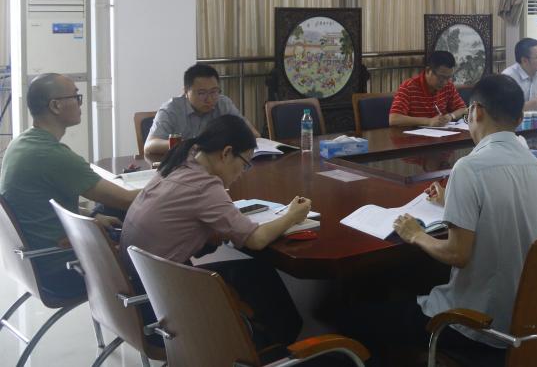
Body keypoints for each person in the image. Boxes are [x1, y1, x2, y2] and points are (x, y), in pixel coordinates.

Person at [343, 75, 537, 363]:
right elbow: (500, 206)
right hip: (520, 316)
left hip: (473, 322)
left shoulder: (469, 167)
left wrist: (416, 234)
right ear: (520, 118)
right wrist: (451, 200)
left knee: (356, 318)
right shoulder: (531, 162)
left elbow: (457, 254)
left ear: (476, 112)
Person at [121, 115, 311, 352]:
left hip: (141, 287)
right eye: (245, 163)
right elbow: (256, 239)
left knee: (252, 273)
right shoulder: (205, 185)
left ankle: (268, 335)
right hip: (164, 301)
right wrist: (292, 215)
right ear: (226, 153)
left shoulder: (183, 158)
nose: (242, 172)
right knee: (259, 275)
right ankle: (273, 349)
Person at [0, 73, 138, 297]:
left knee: (108, 212)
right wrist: (172, 183)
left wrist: (91, 216)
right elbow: (128, 200)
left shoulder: (21, 143)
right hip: (61, 267)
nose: (80, 103)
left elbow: (44, 203)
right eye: (76, 97)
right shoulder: (52, 155)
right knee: (161, 262)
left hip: (32, 262)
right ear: (55, 105)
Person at [145, 63, 258, 161]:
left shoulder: (223, 104)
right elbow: (150, 145)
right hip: (181, 167)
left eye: (214, 92)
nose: (209, 99)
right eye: (202, 93)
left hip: (216, 166)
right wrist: (188, 145)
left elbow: (252, 134)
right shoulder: (171, 109)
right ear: (185, 91)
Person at [389, 50, 469, 126]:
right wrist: (428, 121)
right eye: (441, 77)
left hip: (441, 134)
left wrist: (450, 116)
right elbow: (394, 119)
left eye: (448, 78)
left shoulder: (448, 86)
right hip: (413, 134)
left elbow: (464, 109)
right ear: (428, 71)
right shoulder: (408, 87)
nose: (445, 82)